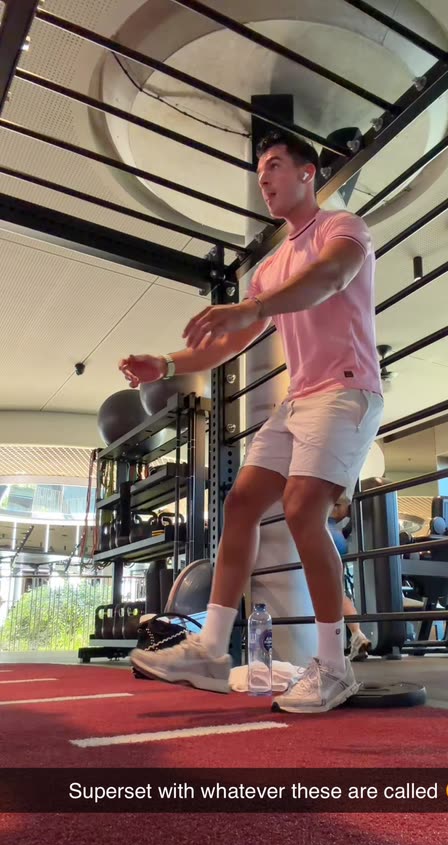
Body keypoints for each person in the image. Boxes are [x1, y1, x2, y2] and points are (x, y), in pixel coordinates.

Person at [121, 129, 384, 714]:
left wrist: (254, 306)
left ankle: (335, 667)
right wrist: (166, 365)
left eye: (274, 166)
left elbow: (330, 279)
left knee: (302, 509)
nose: (264, 179)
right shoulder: (269, 268)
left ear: (308, 172)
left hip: (346, 391)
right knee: (241, 504)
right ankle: (211, 650)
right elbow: (228, 342)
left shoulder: (343, 228)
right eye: (260, 171)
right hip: (299, 400)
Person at [328, 495, 372, 661]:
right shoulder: (342, 490)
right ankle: (357, 634)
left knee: (328, 593)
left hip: (326, 533)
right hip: (338, 537)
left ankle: (331, 647)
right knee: (339, 593)